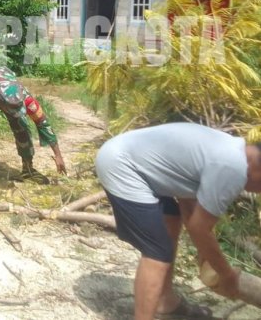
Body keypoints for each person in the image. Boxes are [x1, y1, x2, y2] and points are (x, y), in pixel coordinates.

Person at [95, 123, 261, 320]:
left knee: (171, 220)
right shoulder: (233, 168)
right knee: (158, 253)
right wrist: (228, 275)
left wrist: (204, 253)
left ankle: (165, 302)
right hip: (122, 165)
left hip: (130, 160)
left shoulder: (231, 150)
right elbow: (200, 228)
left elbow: (189, 205)